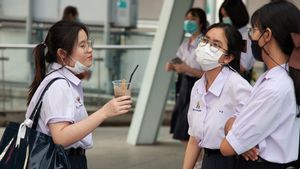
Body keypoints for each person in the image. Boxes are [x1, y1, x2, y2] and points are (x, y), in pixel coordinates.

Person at [25, 20, 132, 169]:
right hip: (59, 161)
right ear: (62, 53)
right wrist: (104, 112)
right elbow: (61, 137)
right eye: (82, 46)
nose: (89, 50)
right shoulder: (59, 86)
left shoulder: (63, 80)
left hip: (64, 159)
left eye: (88, 43)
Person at [220, 1, 300, 169]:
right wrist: (236, 128)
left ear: (267, 35)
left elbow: (227, 147)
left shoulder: (275, 87)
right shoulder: (279, 78)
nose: (251, 37)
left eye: (254, 30)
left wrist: (232, 124)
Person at [182, 23, 252, 169]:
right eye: (205, 40)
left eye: (215, 45)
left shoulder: (238, 87)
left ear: (227, 58)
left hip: (233, 162)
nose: (207, 47)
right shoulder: (198, 87)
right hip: (208, 161)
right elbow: (194, 139)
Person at [165, 8, 207, 142]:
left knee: (189, 128)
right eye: (187, 18)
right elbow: (178, 59)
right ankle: (195, 162)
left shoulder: (205, 44)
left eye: (193, 19)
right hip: (184, 86)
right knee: (184, 129)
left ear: (201, 23)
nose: (189, 22)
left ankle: (197, 162)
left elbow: (208, 73)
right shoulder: (185, 43)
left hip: (198, 86)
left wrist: (187, 69)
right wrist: (172, 65)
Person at [219, 0, 255, 83]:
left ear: (236, 14)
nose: (224, 19)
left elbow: (242, 67)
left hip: (238, 80)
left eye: (227, 15)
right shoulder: (229, 33)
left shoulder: (246, 36)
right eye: (223, 16)